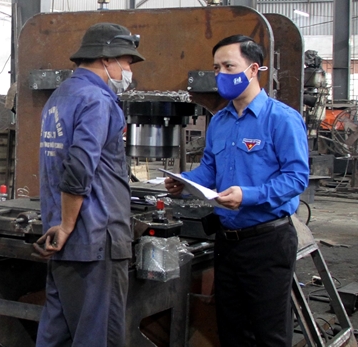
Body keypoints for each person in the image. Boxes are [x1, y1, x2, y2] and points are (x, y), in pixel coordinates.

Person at [165, 35, 309, 347]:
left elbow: (296, 178)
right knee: (231, 331)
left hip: (267, 242)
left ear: (253, 69)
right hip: (227, 244)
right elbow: (209, 171)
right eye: (217, 68)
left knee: (269, 334)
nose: (221, 74)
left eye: (229, 66)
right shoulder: (220, 122)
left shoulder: (281, 119)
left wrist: (249, 195)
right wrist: (184, 182)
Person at [33, 22, 145, 347]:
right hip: (97, 239)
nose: (128, 71)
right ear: (106, 58)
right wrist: (69, 225)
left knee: (58, 333)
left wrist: (62, 225)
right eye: (126, 62)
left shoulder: (60, 95)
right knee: (99, 338)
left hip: (62, 239)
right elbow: (79, 168)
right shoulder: (98, 100)